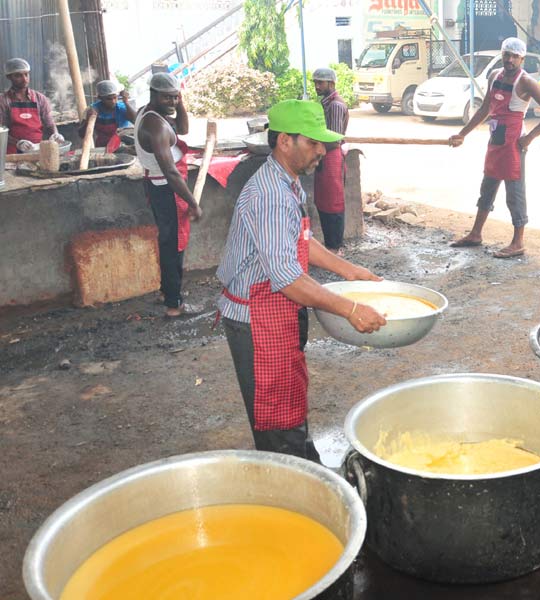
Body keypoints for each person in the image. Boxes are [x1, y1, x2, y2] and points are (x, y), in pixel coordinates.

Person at [216, 99, 386, 460]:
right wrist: (350, 308)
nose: (321, 150)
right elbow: (289, 279)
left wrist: (349, 270)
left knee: (289, 408)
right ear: (284, 142)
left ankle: (305, 466)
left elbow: (301, 243)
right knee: (277, 421)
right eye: (312, 142)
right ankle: (292, 485)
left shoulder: (287, 181)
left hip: (273, 311)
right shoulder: (271, 196)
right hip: (257, 320)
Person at [447, 37, 540, 258]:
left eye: (515, 56)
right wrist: (463, 134)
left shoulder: (526, 82)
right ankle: (476, 233)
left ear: (522, 58)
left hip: (514, 143)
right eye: (506, 54)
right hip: (496, 139)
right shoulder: (494, 75)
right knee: (487, 186)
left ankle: (518, 242)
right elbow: (486, 108)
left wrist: (529, 139)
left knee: (514, 193)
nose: (509, 59)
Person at [133, 72, 202, 317]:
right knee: (174, 245)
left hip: (158, 185)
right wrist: (192, 202)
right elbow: (171, 172)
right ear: (153, 94)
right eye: (168, 98)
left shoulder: (152, 113)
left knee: (167, 240)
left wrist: (179, 102)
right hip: (167, 189)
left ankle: (166, 291)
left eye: (175, 97)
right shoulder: (155, 126)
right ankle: (174, 304)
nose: (172, 103)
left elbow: (182, 129)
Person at [311, 67, 349, 256]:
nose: (317, 86)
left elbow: (334, 139)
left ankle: (335, 247)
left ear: (331, 84)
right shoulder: (327, 103)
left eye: (320, 82)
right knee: (324, 200)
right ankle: (330, 245)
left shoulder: (335, 105)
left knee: (333, 202)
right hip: (324, 155)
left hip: (331, 156)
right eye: (315, 82)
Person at [0, 58, 63, 154]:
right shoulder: (3, 101)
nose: (24, 79)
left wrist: (55, 133)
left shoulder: (40, 98)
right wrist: (18, 143)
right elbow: (1, 131)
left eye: (26, 74)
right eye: (18, 76)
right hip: (12, 153)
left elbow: (49, 123)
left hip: (37, 150)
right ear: (9, 77)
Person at [79, 80, 136, 148]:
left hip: (123, 146)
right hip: (103, 146)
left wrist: (126, 103)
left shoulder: (122, 108)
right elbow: (81, 134)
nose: (113, 101)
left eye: (115, 97)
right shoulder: (92, 110)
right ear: (100, 98)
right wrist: (88, 120)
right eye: (108, 99)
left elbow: (135, 121)